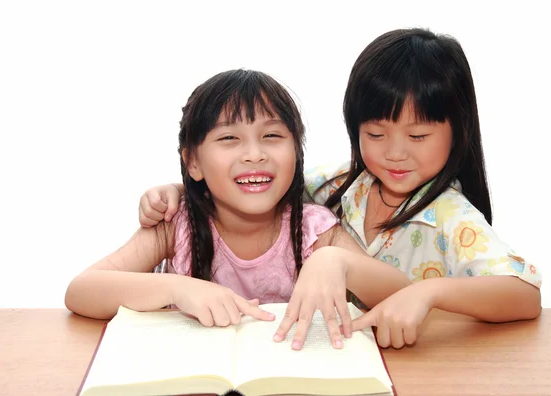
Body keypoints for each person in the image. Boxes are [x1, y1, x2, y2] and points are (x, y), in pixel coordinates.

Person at [135, 28, 542, 349]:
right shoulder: (339, 184)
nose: (395, 153)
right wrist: (181, 188)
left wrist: (430, 294)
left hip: (418, 360)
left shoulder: (453, 217)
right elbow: (260, 183)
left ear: (458, 133)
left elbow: (524, 297)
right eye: (376, 133)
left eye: (418, 136)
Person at [65, 69, 411, 351]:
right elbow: (81, 291)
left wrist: (340, 262)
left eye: (272, 136)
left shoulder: (312, 230)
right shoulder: (176, 224)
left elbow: (403, 296)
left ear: (297, 152)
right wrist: (177, 289)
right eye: (229, 139)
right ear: (193, 162)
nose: (254, 154)